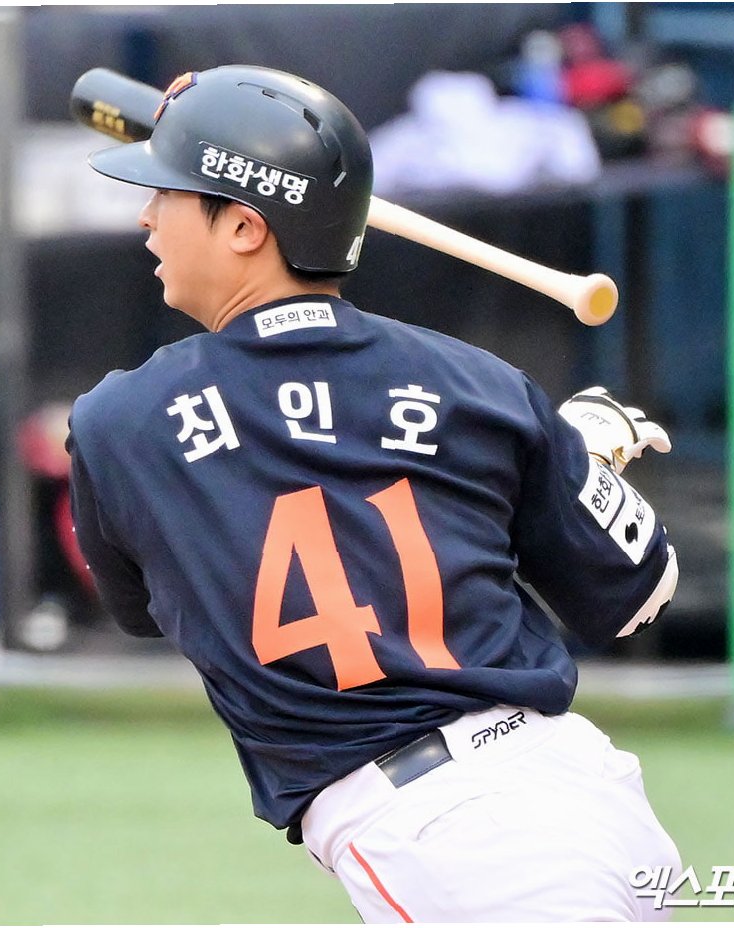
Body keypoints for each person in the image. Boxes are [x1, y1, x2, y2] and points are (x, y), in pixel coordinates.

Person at [67, 64, 682, 922]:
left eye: (167, 192)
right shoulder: (482, 386)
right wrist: (584, 459)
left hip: (452, 840)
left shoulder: (120, 422)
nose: (146, 217)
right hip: (581, 790)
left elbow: (143, 607)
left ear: (244, 226)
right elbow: (637, 593)